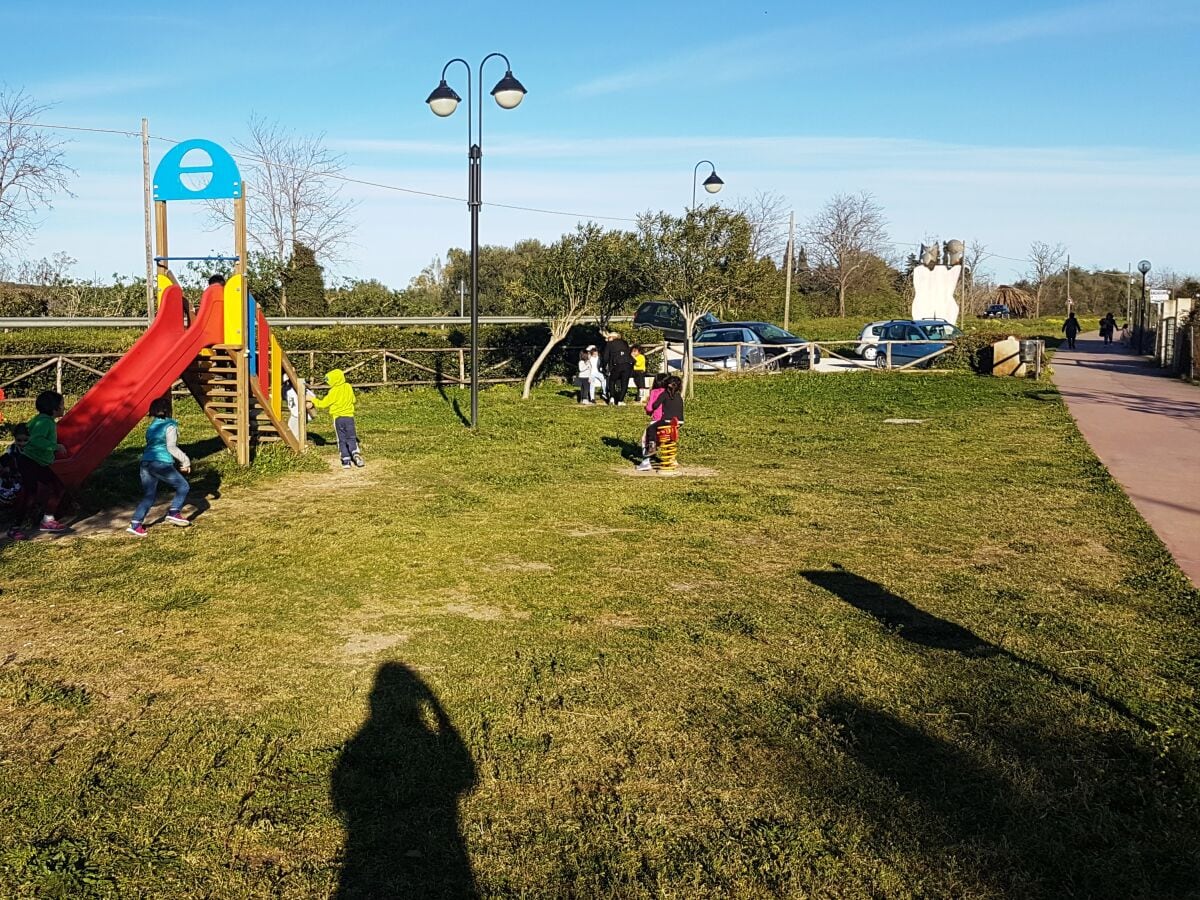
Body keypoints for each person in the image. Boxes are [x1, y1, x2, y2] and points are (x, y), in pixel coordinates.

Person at [127, 398, 193, 536]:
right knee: (183, 486)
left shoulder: (152, 427)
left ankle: (135, 524)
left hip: (145, 463)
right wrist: (185, 461)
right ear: (168, 410)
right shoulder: (170, 426)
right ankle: (174, 512)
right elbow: (171, 447)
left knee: (149, 496)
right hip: (160, 462)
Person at [7, 390, 68, 539]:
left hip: (37, 462)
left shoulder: (41, 419)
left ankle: (48, 520)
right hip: (30, 462)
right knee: (30, 494)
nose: (63, 408)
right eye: (62, 405)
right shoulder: (45, 422)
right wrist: (56, 447)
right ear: (54, 409)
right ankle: (14, 528)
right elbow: (35, 440)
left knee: (57, 488)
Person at [311, 369, 363, 469]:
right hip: (349, 417)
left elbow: (323, 404)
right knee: (351, 437)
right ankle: (355, 453)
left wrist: (312, 399)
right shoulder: (348, 387)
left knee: (341, 440)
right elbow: (354, 400)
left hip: (338, 418)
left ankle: (346, 460)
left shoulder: (333, 391)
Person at [638, 375, 683, 472]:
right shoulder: (676, 393)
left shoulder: (656, 392)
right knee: (668, 439)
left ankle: (646, 461)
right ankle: (671, 460)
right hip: (675, 422)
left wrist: (647, 409)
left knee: (646, 438)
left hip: (659, 420)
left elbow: (651, 408)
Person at [601, 331, 634, 406]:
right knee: (624, 382)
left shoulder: (610, 344)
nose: (607, 339)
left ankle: (612, 397)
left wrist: (604, 366)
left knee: (612, 380)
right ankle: (620, 400)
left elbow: (605, 357)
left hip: (616, 364)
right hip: (627, 364)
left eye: (609, 337)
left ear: (612, 337)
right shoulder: (624, 342)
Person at [0, 423, 29, 506]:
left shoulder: (32, 451)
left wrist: (11, 469)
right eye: (19, 440)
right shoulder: (13, 448)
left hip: (23, 477)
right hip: (12, 475)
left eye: (25, 440)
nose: (22, 443)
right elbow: (5, 458)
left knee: (14, 490)